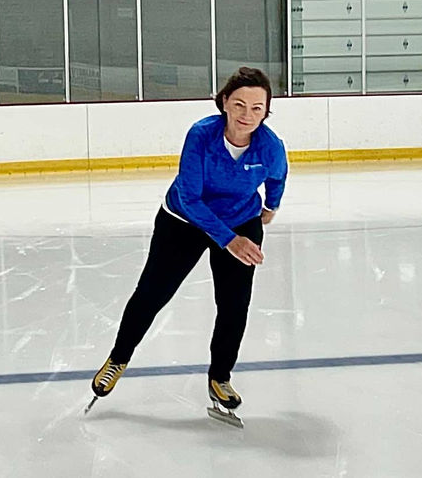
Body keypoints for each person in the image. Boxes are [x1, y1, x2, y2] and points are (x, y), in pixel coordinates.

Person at [86, 67, 288, 426]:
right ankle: (118, 358)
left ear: (266, 111)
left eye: (257, 108)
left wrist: (270, 207)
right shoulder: (201, 136)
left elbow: (277, 176)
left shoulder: (270, 146)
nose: (247, 115)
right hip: (183, 221)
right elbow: (190, 198)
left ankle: (220, 377)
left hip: (241, 221)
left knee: (234, 305)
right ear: (224, 102)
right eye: (239, 104)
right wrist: (230, 240)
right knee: (152, 294)